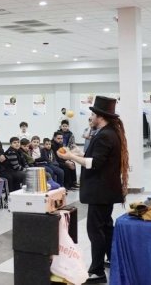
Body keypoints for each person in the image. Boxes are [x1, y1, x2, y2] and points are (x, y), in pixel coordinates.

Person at [58, 96, 129, 284]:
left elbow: (94, 163)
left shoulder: (105, 135)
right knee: (105, 227)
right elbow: (98, 157)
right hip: (105, 191)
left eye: (93, 114)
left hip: (100, 192)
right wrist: (79, 153)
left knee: (95, 230)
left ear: (100, 116)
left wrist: (71, 156)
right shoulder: (109, 132)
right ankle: (112, 258)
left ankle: (97, 271)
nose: (91, 117)